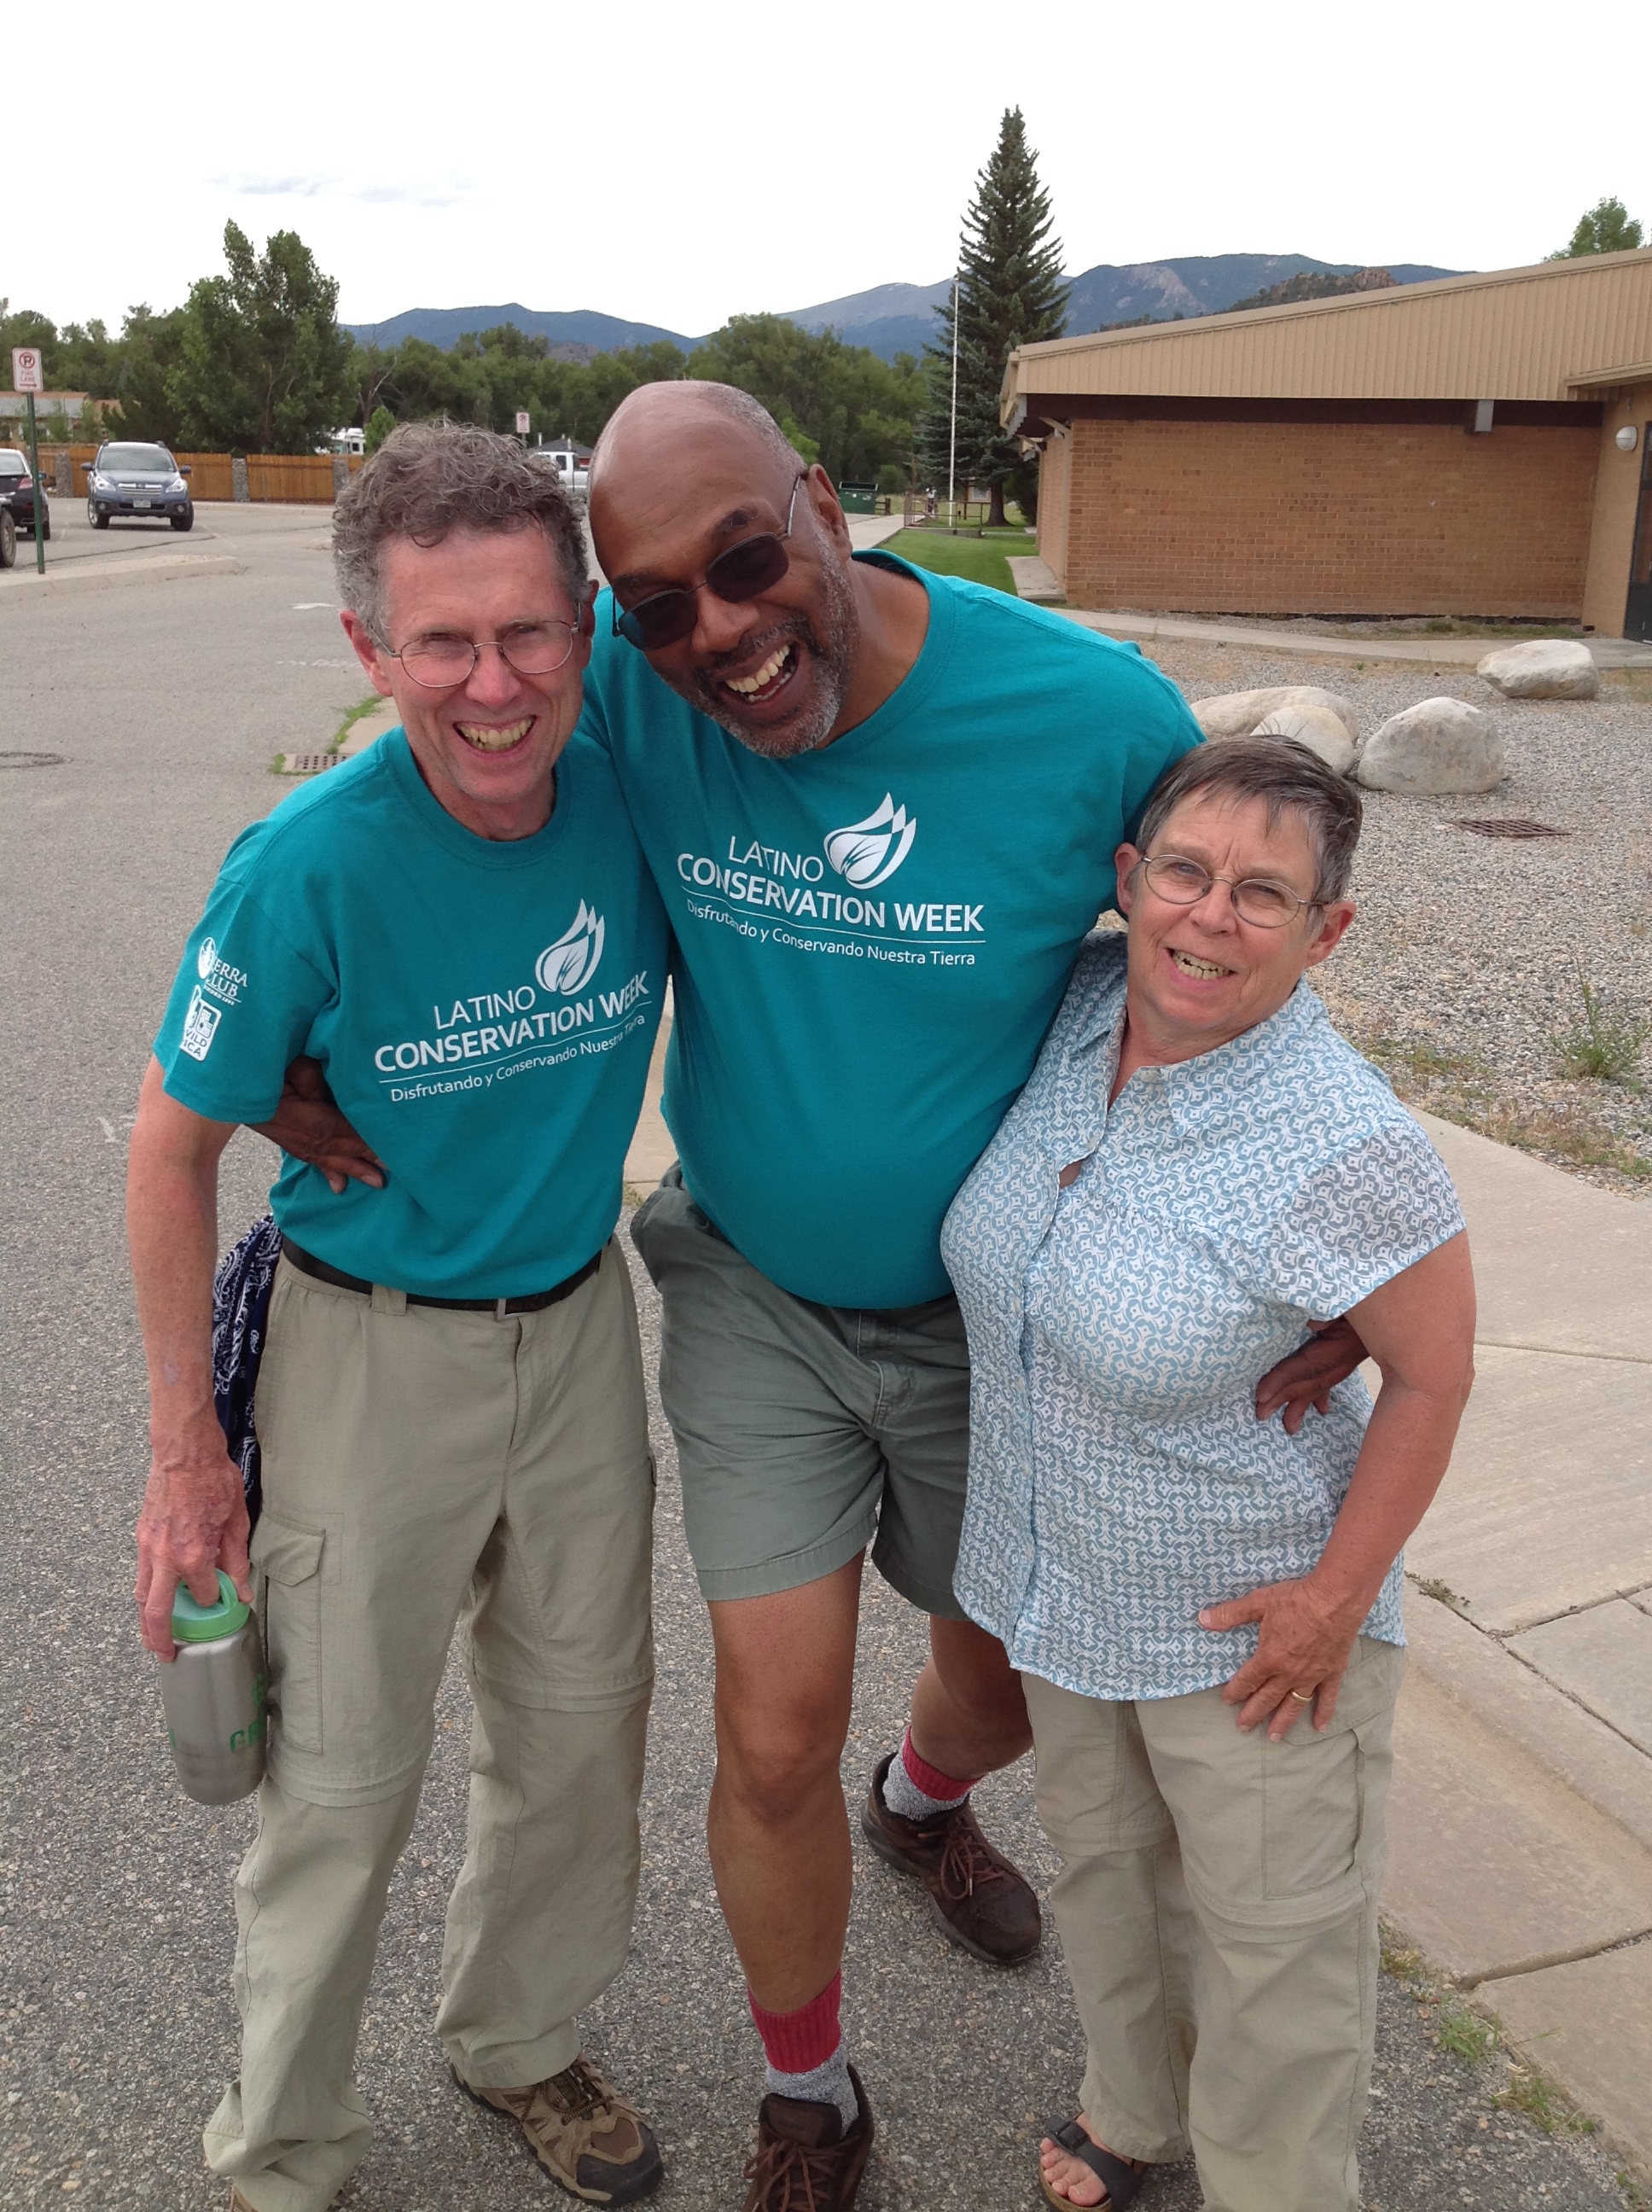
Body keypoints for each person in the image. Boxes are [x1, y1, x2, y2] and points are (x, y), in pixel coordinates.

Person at [263, 384, 1371, 2212]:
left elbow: (1226, 950)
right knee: (767, 1730)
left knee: (1005, 1689)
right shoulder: (628, 685)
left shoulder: (1085, 717)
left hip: (999, 1324)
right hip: (755, 1296)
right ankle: (810, 2089)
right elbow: (436, 766)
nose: (717, 632)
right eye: (655, 607)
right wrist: (291, 1048)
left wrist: (1336, 1244)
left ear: (826, 510)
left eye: (746, 562)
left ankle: (926, 1799)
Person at [129, 424, 670, 2212]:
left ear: (581, 626)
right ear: (369, 649)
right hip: (366, 1350)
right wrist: (186, 1463)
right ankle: (283, 2149)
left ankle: (516, 2040)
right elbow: (165, 1148)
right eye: (441, 643)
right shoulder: (306, 863)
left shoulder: (631, 779)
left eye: (527, 633)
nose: (491, 686)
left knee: (578, 1735)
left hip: (580, 1332)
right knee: (341, 1781)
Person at [940, 738, 1476, 2212]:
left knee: (1274, 1954)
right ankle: (1138, 2114)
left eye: (1263, 894)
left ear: (1328, 932)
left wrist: (1333, 1601)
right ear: (1129, 883)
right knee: (1111, 1881)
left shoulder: (1348, 1140)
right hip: (1065, 1591)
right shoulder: (1076, 1009)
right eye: (1184, 872)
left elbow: (1433, 1373)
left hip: (1252, 1623)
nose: (1208, 917)